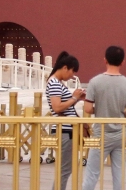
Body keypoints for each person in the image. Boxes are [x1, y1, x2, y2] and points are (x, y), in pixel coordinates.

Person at [82, 46, 126, 190]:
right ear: (122, 62)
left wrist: (100, 109)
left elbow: (88, 109)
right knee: (119, 174)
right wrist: (120, 113)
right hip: (120, 134)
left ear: (105, 60)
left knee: (92, 173)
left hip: (101, 133)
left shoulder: (95, 82)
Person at [46, 52, 84, 190]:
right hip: (64, 130)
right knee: (64, 170)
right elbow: (57, 107)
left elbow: (63, 106)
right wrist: (74, 98)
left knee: (65, 169)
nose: (72, 76)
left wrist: (76, 98)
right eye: (72, 71)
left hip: (67, 130)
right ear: (65, 68)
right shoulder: (55, 83)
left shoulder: (56, 83)